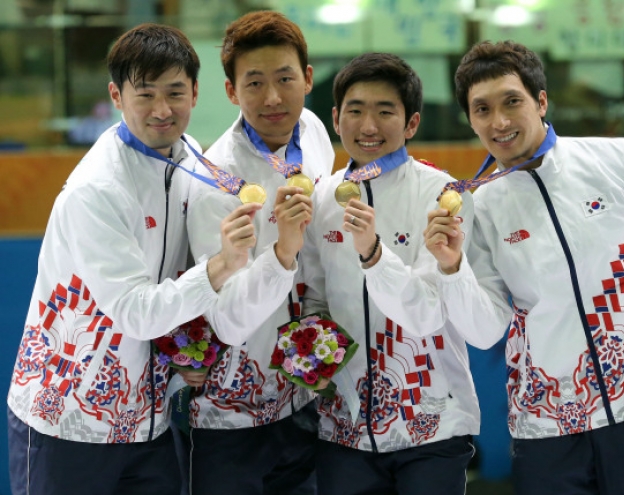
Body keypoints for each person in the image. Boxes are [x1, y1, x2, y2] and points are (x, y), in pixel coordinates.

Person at [424, 40, 624, 495]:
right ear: (470, 120)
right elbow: (486, 331)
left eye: (512, 101)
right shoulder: (479, 206)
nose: (499, 121)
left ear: (541, 100)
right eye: (482, 109)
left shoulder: (621, 159)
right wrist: (452, 270)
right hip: (547, 425)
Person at [6, 24, 260, 495]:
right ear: (116, 96)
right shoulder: (97, 190)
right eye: (145, 94)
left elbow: (177, 278)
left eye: (175, 92)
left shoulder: (191, 159)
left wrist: (191, 348)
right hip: (69, 418)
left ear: (195, 93)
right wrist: (224, 264)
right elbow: (136, 312)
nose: (162, 110)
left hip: (151, 421)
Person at [299, 52, 479, 495]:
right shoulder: (321, 198)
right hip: (344, 429)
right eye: (356, 111)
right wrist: (310, 361)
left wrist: (374, 253)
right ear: (336, 118)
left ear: (411, 123)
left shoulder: (442, 197)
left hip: (432, 424)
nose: (369, 126)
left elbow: (429, 313)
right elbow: (316, 298)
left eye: (385, 112)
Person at [183, 11, 334, 495]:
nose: (272, 98)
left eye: (285, 79)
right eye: (254, 83)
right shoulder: (216, 181)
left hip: (302, 394)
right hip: (227, 415)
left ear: (308, 80)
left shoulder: (311, 131)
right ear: (231, 91)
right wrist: (282, 254)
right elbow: (225, 319)